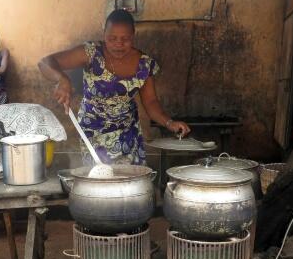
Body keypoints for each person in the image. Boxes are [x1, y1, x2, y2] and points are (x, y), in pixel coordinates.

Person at [38, 9, 190, 166]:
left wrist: (169, 123)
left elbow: (151, 102)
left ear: (133, 35)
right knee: (100, 182)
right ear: (104, 34)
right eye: (112, 38)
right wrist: (61, 79)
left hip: (127, 135)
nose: (119, 44)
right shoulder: (91, 53)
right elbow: (45, 62)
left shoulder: (144, 64)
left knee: (129, 183)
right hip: (93, 134)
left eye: (125, 39)